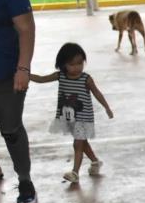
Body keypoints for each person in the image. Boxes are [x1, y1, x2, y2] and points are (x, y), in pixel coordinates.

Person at [30, 43, 113, 184]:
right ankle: (95, 161)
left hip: (83, 117)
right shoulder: (60, 76)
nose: (77, 67)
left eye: (80, 63)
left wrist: (106, 107)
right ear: (62, 64)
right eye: (72, 64)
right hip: (69, 117)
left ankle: (75, 173)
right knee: (82, 142)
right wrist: (25, 74)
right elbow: (42, 79)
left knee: (77, 144)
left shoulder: (86, 79)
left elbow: (97, 93)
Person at [0, 0, 37, 203]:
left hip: (6, 75)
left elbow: (26, 29)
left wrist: (23, 68)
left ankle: (24, 180)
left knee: (11, 129)